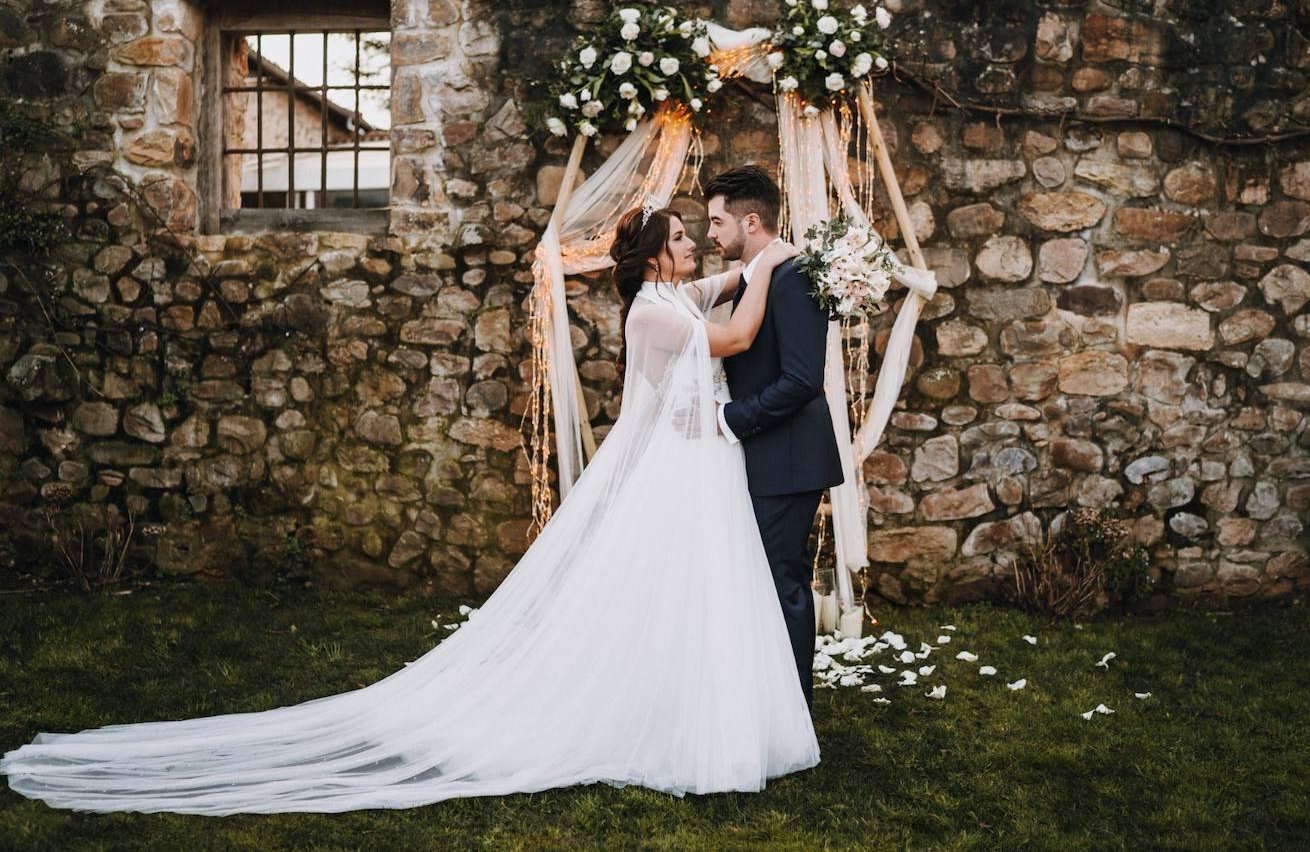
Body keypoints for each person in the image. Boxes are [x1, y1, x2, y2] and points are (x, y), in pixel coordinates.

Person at [0, 206, 818, 815]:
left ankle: (690, 706)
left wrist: (766, 258)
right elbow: (741, 334)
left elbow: (724, 285)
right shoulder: (650, 312)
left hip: (698, 464)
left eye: (691, 236)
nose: (692, 246)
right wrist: (776, 260)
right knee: (669, 583)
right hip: (675, 469)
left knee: (697, 589)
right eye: (680, 236)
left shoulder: (673, 298)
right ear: (653, 257)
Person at [704, 165, 845, 710]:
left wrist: (735, 418)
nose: (711, 234)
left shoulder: (794, 277)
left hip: (789, 458)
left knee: (781, 581)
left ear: (751, 220)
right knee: (763, 579)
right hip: (767, 455)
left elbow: (802, 379)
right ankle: (770, 701)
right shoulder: (766, 273)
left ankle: (793, 711)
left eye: (717, 222)